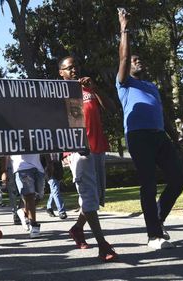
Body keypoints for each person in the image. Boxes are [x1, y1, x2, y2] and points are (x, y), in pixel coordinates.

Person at [117, 9, 183, 249]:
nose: (137, 61)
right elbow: (124, 59)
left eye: (139, 59)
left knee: (179, 179)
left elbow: (162, 112)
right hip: (138, 136)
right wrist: (124, 27)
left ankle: (158, 219)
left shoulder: (151, 86)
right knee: (148, 183)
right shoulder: (124, 83)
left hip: (159, 136)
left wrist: (174, 136)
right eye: (134, 60)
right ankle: (153, 236)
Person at [58, 55, 118, 261]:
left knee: (95, 197)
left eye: (76, 67)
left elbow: (112, 109)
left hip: (98, 147)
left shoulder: (88, 89)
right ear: (61, 73)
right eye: (69, 68)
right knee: (89, 196)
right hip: (78, 151)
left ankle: (77, 228)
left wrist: (95, 89)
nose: (74, 70)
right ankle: (103, 245)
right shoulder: (58, 94)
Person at [5, 154, 45, 239]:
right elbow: (5, 152)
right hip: (22, 168)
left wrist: (49, 162)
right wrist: (4, 171)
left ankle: (23, 211)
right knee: (30, 196)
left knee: (39, 196)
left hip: (38, 167)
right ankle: (34, 226)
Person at [45, 153, 67, 219]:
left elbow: (61, 159)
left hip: (58, 171)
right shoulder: (44, 150)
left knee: (54, 190)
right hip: (49, 172)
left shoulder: (58, 148)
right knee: (55, 191)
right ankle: (61, 211)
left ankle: (49, 207)